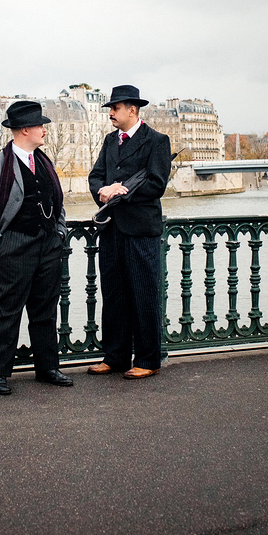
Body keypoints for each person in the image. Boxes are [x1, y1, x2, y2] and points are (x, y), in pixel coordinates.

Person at [0, 100, 73, 395]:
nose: (45, 130)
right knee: (6, 311)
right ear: (25, 129)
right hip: (14, 245)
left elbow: (57, 202)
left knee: (45, 310)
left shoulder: (45, 162)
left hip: (48, 245)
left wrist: (59, 232)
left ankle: (47, 367)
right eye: (40, 125)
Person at [88, 85, 172, 380]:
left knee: (143, 294)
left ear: (132, 110)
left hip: (140, 230)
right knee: (114, 294)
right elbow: (95, 176)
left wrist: (121, 191)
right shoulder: (110, 141)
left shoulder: (157, 141)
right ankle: (115, 357)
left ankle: (148, 359)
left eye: (115, 108)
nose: (110, 113)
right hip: (111, 228)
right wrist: (103, 190)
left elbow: (157, 184)